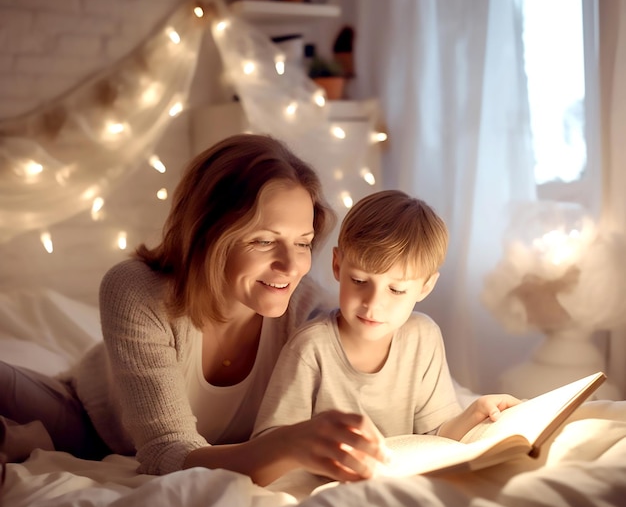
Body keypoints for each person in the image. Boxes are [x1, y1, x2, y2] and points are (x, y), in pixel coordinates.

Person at [0, 134, 390, 486]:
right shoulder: (137, 289)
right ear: (207, 235)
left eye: (302, 243)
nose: (291, 266)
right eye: (264, 240)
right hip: (83, 418)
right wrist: (285, 445)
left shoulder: (308, 311)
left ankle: (24, 439)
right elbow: (165, 452)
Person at [253, 190, 519, 454]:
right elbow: (272, 446)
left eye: (396, 290)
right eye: (359, 281)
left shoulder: (422, 337)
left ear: (426, 286)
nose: (372, 303)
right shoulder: (310, 348)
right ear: (337, 265)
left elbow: (437, 433)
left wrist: (474, 413)